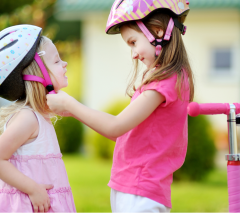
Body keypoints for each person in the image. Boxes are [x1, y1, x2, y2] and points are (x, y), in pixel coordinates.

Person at [47, 0, 194, 212]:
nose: (133, 53)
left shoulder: (164, 82)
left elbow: (115, 127)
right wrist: (71, 110)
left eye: (133, 42)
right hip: (133, 188)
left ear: (158, 32)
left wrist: (69, 102)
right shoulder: (168, 78)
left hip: (140, 190)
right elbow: (125, 130)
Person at [0, 24, 76, 212]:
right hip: (25, 205)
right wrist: (33, 189)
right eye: (57, 61)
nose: (64, 64)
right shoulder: (28, 118)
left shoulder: (40, 117)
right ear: (37, 73)